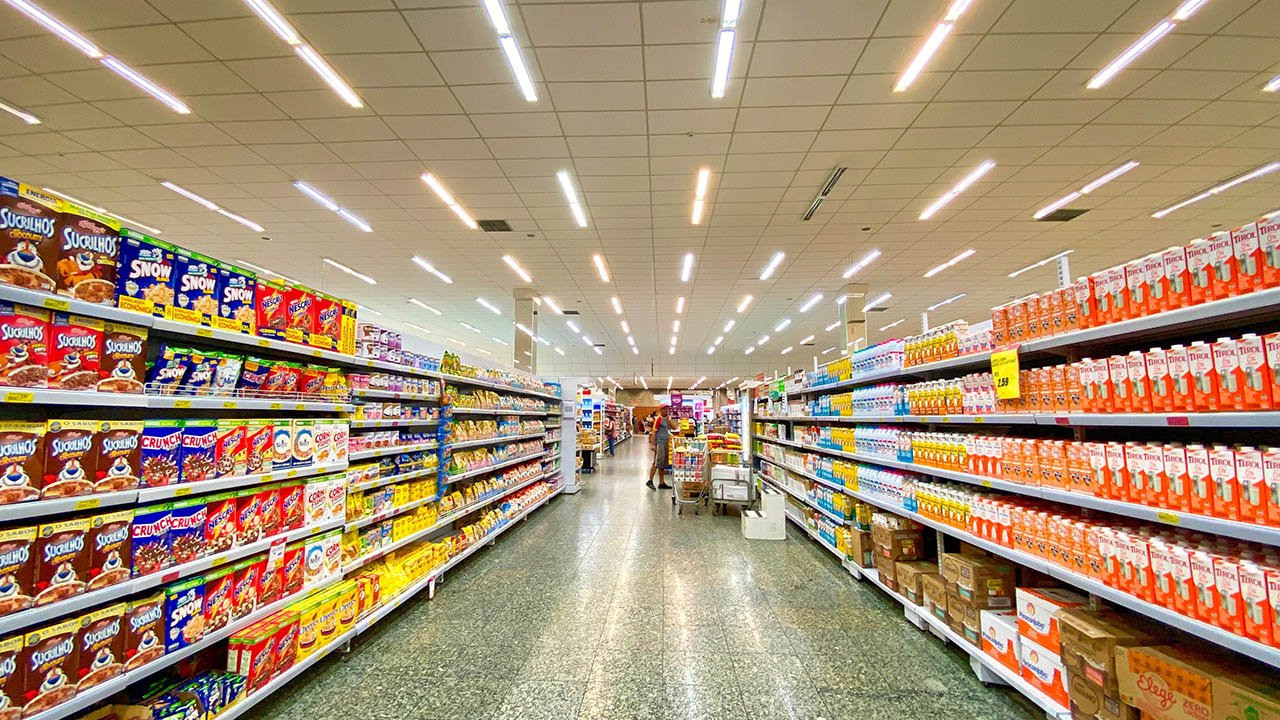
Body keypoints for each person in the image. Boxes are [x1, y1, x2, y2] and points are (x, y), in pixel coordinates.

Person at [647, 406, 676, 490]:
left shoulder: (667, 419)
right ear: (661, 410)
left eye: (667, 409)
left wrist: (669, 421)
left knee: (663, 463)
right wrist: (653, 444)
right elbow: (654, 432)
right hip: (660, 442)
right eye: (665, 409)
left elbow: (674, 428)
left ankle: (661, 482)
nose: (667, 410)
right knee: (657, 462)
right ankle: (650, 481)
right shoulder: (658, 419)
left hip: (666, 442)